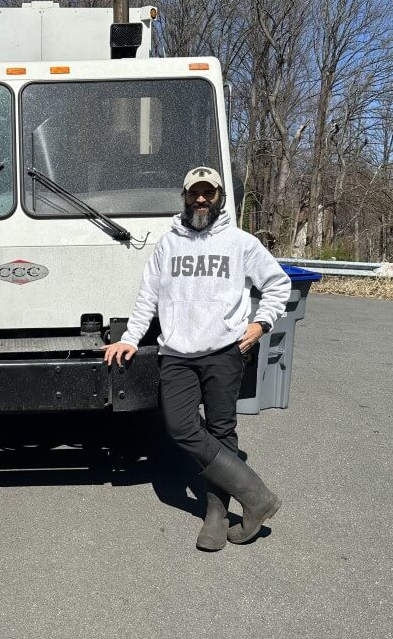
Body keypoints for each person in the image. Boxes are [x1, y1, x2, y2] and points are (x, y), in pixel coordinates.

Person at [102, 166, 290, 551]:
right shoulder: (167, 245)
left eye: (209, 193)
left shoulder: (241, 243)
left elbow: (278, 284)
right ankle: (257, 496)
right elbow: (147, 299)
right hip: (178, 355)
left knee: (222, 432)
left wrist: (260, 325)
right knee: (181, 428)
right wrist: (131, 338)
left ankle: (216, 514)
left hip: (225, 352)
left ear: (220, 198)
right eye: (194, 194)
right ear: (184, 197)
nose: (201, 200)